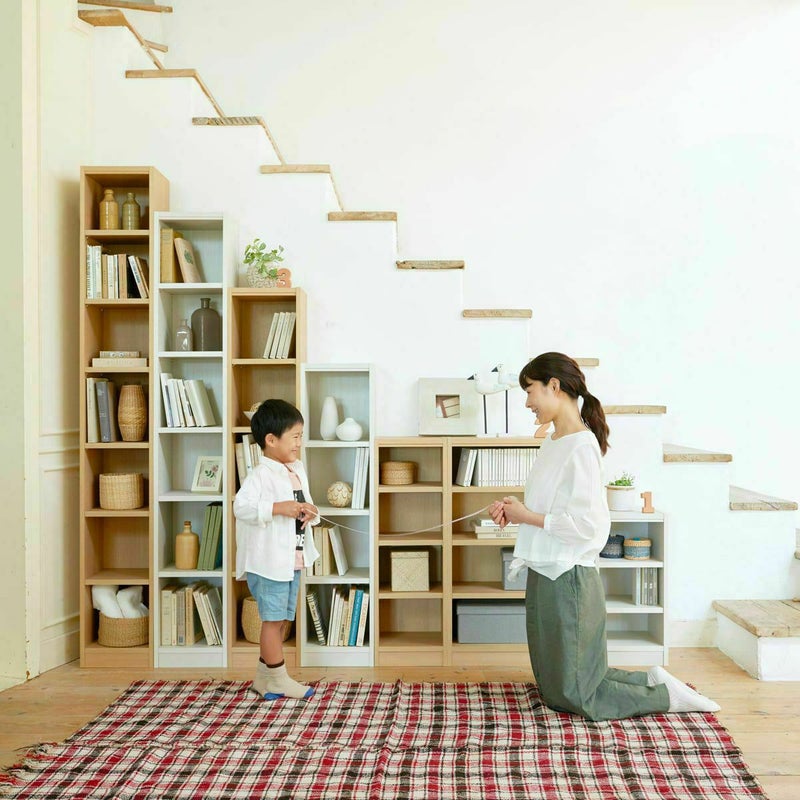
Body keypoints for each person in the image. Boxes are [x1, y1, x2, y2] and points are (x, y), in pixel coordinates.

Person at [489, 352, 720, 720]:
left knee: (580, 693)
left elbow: (588, 526)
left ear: (553, 386)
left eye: (529, 391)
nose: (527, 402)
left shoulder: (581, 446)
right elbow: (550, 507)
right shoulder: (553, 442)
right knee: (556, 687)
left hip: (568, 575)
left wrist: (525, 516)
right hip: (544, 569)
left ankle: (666, 696)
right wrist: (515, 509)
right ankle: (651, 680)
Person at [233, 398, 320, 700]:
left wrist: (311, 513)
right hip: (269, 563)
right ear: (271, 440)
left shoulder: (296, 469)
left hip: (291, 559)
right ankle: (280, 680)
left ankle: (263, 679)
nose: (299, 442)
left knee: (281, 620)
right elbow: (241, 507)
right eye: (294, 436)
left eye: (300, 435)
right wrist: (278, 508)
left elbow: (306, 505)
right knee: (272, 622)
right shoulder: (260, 475)